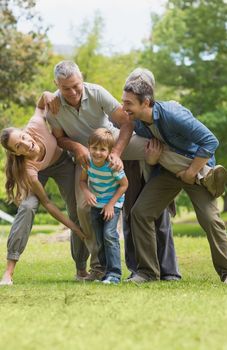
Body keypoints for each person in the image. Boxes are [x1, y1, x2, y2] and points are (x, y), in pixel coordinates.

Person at [41, 60, 181, 281]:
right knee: (85, 209)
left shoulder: (97, 93)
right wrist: (76, 146)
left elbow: (127, 123)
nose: (73, 91)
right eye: (65, 88)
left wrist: (116, 152)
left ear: (81, 78)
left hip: (113, 143)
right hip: (86, 157)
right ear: (56, 84)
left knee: (152, 146)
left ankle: (200, 172)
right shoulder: (54, 107)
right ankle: (100, 267)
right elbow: (59, 139)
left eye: (76, 85)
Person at [121, 67, 227, 284]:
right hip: (169, 171)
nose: (124, 108)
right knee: (140, 212)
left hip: (196, 168)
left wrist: (191, 172)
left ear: (146, 102)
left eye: (128, 104)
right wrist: (152, 161)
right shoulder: (137, 122)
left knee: (210, 219)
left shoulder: (173, 114)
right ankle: (148, 272)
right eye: (123, 102)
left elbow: (210, 141)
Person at [0, 107, 86, 286]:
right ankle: (9, 272)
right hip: (38, 172)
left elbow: (41, 104)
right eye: (18, 146)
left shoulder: (36, 125)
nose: (25, 144)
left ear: (25, 132)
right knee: (27, 206)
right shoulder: (27, 169)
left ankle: (81, 268)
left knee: (78, 208)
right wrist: (74, 229)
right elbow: (47, 202)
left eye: (23, 137)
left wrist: (49, 96)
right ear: (16, 153)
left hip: (62, 163)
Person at [80, 128, 128, 284]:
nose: (98, 152)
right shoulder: (87, 163)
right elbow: (82, 181)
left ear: (109, 151)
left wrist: (110, 205)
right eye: (94, 148)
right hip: (96, 205)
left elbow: (124, 185)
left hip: (112, 204)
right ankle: (105, 272)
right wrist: (87, 192)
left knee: (109, 235)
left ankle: (114, 274)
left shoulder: (112, 166)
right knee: (99, 239)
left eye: (102, 149)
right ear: (89, 147)